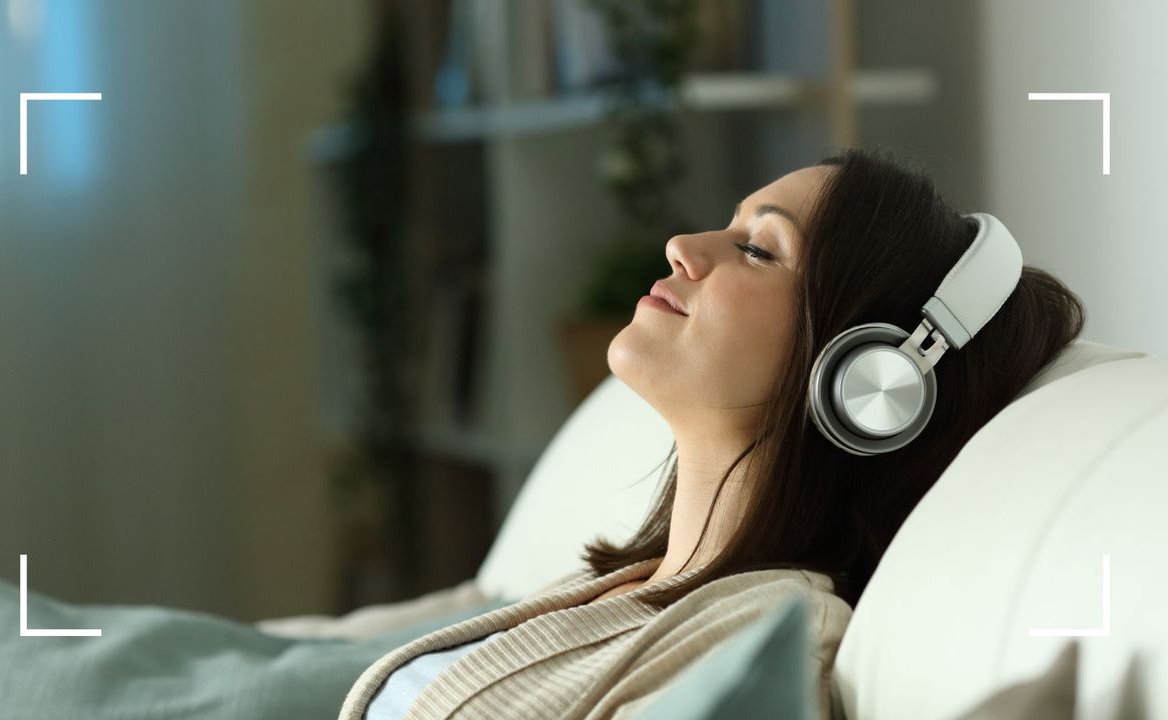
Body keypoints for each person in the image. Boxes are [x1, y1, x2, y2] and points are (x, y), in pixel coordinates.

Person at [338, 147, 1087, 720]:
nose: (683, 246)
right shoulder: (611, 588)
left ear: (868, 384)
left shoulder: (770, 633)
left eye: (759, 249)